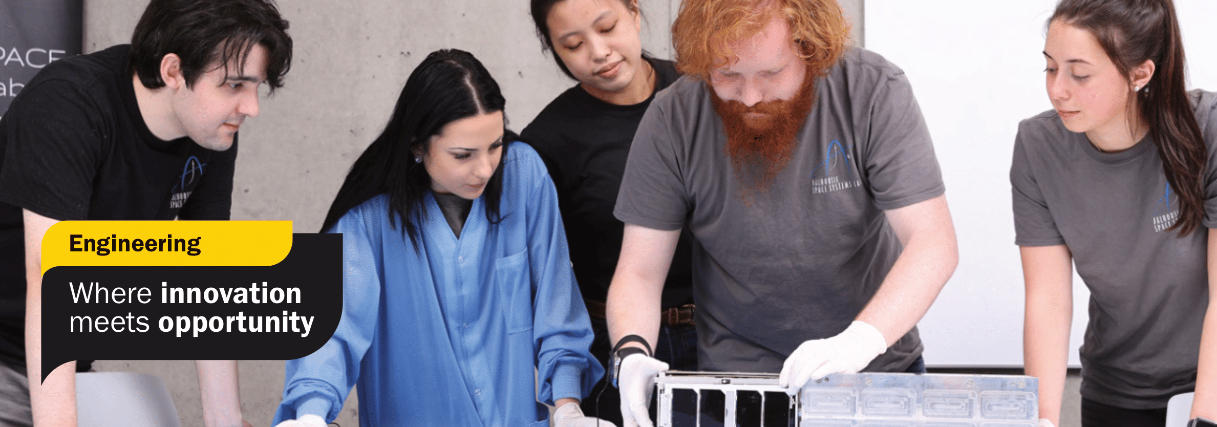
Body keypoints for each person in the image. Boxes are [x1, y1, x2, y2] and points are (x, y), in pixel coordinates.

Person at [605, 0, 959, 424]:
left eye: (772, 73)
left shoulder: (872, 90)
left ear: (811, 48)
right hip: (737, 386)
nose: (750, 96)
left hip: (874, 373)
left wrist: (858, 342)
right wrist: (630, 353)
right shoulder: (672, 117)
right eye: (728, 74)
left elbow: (932, 242)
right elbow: (640, 271)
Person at [272, 49, 609, 427]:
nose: (484, 169)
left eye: (495, 145)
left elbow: (556, 303)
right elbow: (332, 328)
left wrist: (568, 409)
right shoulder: (367, 219)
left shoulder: (524, 175)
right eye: (463, 155)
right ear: (417, 144)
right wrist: (311, 415)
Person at [0, 0, 293, 426]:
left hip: (67, 362)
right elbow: (52, 278)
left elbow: (207, 272)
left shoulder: (209, 132)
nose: (251, 107)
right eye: (234, 85)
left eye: (257, 87)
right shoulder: (69, 103)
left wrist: (225, 419)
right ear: (174, 71)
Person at [1013, 1, 1217, 426]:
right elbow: (1047, 300)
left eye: (1079, 73)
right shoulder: (1037, 146)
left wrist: (1204, 422)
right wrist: (1041, 420)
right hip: (1120, 388)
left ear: (1140, 73)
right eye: (1050, 68)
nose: (1057, 89)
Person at [522, 0, 697, 422]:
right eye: (574, 44)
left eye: (608, 27)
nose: (598, 52)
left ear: (634, 13)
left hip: (720, 333)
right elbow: (542, 277)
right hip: (611, 344)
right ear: (552, 48)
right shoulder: (547, 142)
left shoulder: (702, 90)